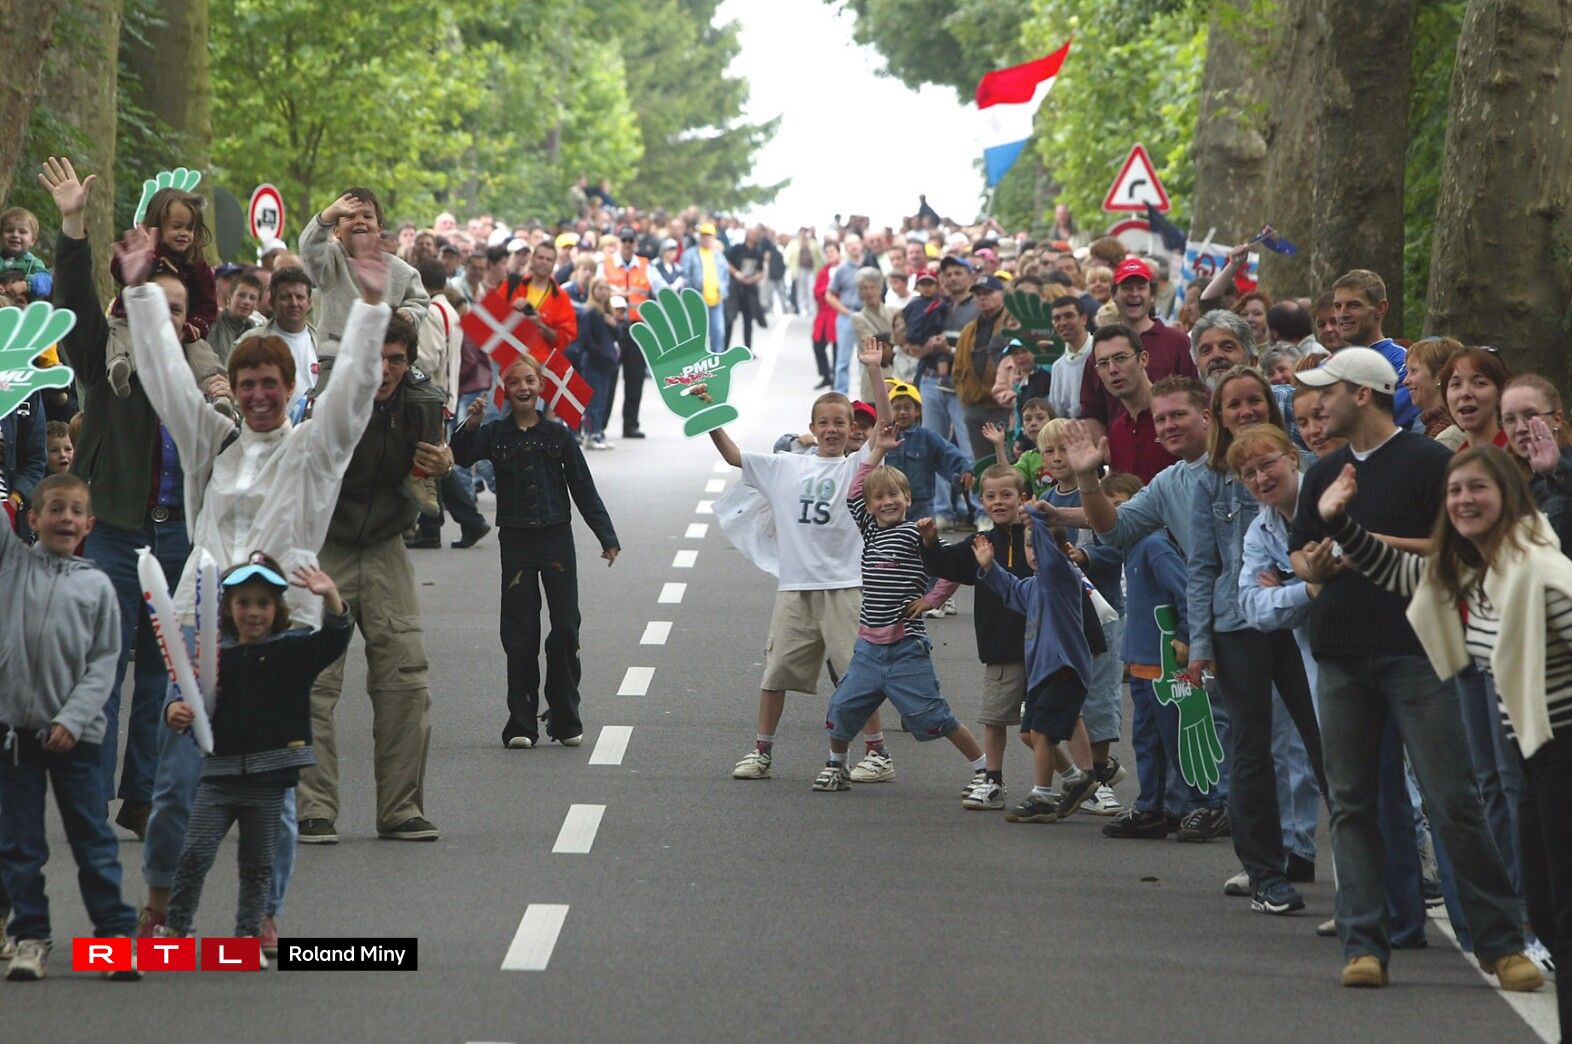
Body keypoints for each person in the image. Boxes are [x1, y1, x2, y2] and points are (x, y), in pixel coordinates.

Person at [123, 223, 390, 947]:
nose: (259, 394)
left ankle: (263, 916)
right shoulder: (213, 441)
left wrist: (371, 308)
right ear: (235, 391)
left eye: (271, 383)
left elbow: (353, 396)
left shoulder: (312, 452)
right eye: (247, 384)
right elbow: (166, 379)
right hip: (198, 628)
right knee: (179, 780)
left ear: (291, 387)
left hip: (278, 634)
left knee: (271, 789)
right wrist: (139, 292)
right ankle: (158, 906)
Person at [1290, 347, 1537, 989]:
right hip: (1340, 653)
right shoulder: (1323, 472)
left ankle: (1501, 943)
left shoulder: (1431, 463)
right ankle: (1364, 944)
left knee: (1454, 800)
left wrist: (1359, 541)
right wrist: (1317, 564)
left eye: (1329, 392)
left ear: (1363, 395)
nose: (1318, 405)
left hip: (1418, 651)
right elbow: (1300, 556)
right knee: (1352, 805)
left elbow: (1456, 546)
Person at [40, 155, 225, 837]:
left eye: (177, 310)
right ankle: (90, 797)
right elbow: (73, 304)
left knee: (163, 674)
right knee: (105, 668)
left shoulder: (205, 375)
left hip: (180, 537)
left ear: (189, 318)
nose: (165, 318)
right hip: (116, 533)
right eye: (154, 305)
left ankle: (142, 795)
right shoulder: (107, 359)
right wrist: (73, 227)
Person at [703, 340, 895, 781]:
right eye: (823, 423)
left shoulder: (856, 468)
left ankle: (878, 754)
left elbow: (885, 426)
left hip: (845, 585)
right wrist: (709, 414)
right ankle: (761, 751)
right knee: (776, 673)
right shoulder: (785, 466)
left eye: (840, 423)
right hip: (795, 587)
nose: (832, 430)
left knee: (859, 674)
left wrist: (874, 369)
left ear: (852, 430)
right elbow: (733, 456)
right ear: (811, 427)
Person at [296, 316, 453, 846]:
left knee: (406, 679)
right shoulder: (331, 402)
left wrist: (443, 463)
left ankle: (402, 809)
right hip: (326, 544)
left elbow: (431, 470)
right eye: (375, 359)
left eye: (396, 360)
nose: (385, 371)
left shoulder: (423, 403)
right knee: (312, 682)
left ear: (409, 362)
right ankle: (313, 809)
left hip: (387, 545)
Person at [157, 558, 351, 957]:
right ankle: (175, 929)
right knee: (194, 855)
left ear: (277, 609)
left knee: (257, 865)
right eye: (243, 602)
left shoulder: (293, 651)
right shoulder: (211, 658)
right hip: (219, 777)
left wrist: (331, 596)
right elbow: (184, 696)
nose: (253, 612)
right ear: (228, 609)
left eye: (263, 603)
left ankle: (247, 936)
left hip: (269, 779)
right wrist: (173, 712)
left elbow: (334, 640)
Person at [0, 473, 140, 982]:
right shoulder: (11, 565)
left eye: (76, 511)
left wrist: (72, 719)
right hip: (15, 736)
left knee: (92, 841)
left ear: (90, 525)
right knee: (20, 846)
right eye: (55, 508)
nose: (65, 518)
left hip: (77, 739)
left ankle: (114, 939)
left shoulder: (97, 585)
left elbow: (104, 663)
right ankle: (30, 937)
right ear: (33, 519)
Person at [453, 355, 618, 748]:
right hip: (516, 544)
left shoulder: (559, 436)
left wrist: (606, 536)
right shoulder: (494, 434)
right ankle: (521, 723)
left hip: (556, 541)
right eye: (514, 382)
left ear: (542, 387)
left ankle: (564, 717)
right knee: (520, 633)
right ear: (505, 390)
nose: (523, 388)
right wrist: (472, 422)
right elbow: (460, 455)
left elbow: (583, 488)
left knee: (565, 629)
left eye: (529, 380)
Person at [815, 428, 988, 793]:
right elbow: (853, 492)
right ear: (869, 505)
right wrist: (877, 451)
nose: (886, 501)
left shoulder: (914, 534)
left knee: (936, 715)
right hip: (868, 648)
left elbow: (953, 567)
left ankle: (985, 771)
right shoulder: (869, 530)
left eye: (894, 494)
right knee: (842, 708)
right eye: (878, 497)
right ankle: (836, 765)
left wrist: (931, 599)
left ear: (908, 498)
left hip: (906, 647)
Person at [973, 501, 1098, 822]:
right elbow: (1010, 589)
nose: (1033, 552)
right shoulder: (1032, 586)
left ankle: (1042, 796)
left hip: (1064, 670)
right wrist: (990, 566)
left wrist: (1036, 521)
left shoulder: (1063, 576)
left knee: (1041, 733)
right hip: (1042, 673)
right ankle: (1075, 779)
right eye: (1028, 546)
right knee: (1029, 735)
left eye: (1037, 545)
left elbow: (1049, 553)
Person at [408, 258, 489, 550]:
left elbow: (428, 359)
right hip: (443, 394)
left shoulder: (432, 311)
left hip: (430, 396)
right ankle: (438, 525)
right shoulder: (449, 310)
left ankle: (465, 521)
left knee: (433, 460)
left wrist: (406, 360)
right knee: (434, 461)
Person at [1076, 258, 1199, 437]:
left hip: (1172, 447)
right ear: (1114, 295)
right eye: (1127, 288)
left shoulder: (1179, 342)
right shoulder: (1101, 350)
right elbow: (1091, 412)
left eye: (1141, 287)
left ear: (1152, 295)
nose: (1134, 294)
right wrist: (1106, 448)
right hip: (1122, 449)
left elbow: (1197, 398)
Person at [1088, 325, 1180, 483]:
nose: (1112, 369)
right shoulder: (1118, 432)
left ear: (1143, 359)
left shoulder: (1178, 415)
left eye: (1120, 358)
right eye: (1103, 363)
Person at [1328, 269, 1418, 428]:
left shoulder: (1404, 363)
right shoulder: (1329, 366)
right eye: (1337, 306)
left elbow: (1385, 419)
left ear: (1381, 308)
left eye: (1353, 305)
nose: (1342, 314)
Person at [952, 275, 1013, 459]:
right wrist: (965, 394)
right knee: (982, 465)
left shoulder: (1012, 325)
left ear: (1002, 294)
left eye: (988, 292)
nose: (982, 297)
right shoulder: (968, 330)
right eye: (978, 294)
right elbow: (957, 370)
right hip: (974, 409)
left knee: (1009, 462)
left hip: (1003, 408)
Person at [1441, 345, 1511, 450]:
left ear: (1501, 394)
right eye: (1456, 384)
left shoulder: (1521, 455)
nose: (1465, 393)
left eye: (1479, 383)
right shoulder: (1458, 457)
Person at [1404, 336, 1465, 449]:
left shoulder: (1448, 438)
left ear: (1440, 376)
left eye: (1414, 371)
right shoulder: (1432, 427)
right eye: (1407, 372)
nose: (1405, 381)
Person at [679, 222, 729, 355]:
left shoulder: (719, 255)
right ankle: (697, 362)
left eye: (709, 236)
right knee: (698, 336)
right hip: (698, 301)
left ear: (714, 237)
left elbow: (725, 275)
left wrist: (723, 291)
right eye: (704, 235)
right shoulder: (689, 254)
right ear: (700, 237)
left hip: (716, 301)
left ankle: (717, 360)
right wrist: (691, 296)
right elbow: (684, 277)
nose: (707, 238)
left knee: (718, 332)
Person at [1048, 295, 1093, 420]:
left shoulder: (1102, 352)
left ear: (1084, 319)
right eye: (1057, 318)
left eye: (1069, 316)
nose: (1063, 323)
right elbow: (1056, 415)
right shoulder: (1058, 368)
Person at [207, 271, 265, 363]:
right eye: (241, 295)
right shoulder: (214, 324)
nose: (246, 302)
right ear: (230, 297)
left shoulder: (257, 333)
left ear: (257, 304)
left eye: (252, 298)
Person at [809, 242, 841, 389]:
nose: (829, 255)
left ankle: (836, 377)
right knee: (818, 345)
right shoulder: (824, 271)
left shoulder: (842, 270)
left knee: (837, 347)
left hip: (838, 312)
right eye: (827, 252)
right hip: (824, 313)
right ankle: (826, 375)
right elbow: (816, 292)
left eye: (832, 251)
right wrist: (827, 290)